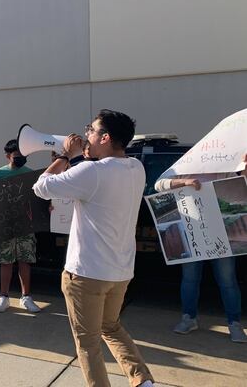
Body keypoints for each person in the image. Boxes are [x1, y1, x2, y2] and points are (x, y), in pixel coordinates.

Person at [33, 109, 155, 387]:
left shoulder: (92, 171)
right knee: (111, 327)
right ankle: (142, 380)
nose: (87, 134)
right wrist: (81, 158)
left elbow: (40, 187)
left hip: (86, 273)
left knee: (88, 344)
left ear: (106, 137)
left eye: (91, 130)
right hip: (120, 272)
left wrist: (65, 156)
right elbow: (96, 179)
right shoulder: (136, 168)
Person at [154, 153, 247, 343]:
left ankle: (234, 324)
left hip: (222, 234)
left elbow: (242, 184)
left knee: (227, 279)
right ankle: (188, 318)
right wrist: (185, 182)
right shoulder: (183, 168)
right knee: (190, 278)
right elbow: (159, 184)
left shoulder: (225, 170)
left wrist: (244, 168)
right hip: (191, 234)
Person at [0, 139, 41, 314]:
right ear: (8, 156)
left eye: (23, 155)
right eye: (17, 156)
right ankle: (4, 296)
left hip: (25, 224)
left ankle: (26, 297)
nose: (20, 158)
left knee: (25, 260)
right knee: (5, 260)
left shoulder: (31, 174)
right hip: (5, 225)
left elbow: (37, 201)